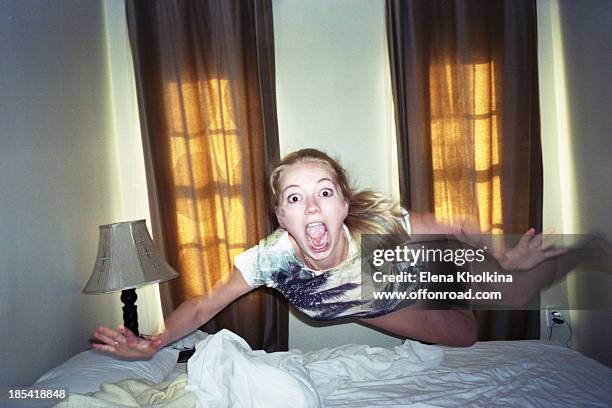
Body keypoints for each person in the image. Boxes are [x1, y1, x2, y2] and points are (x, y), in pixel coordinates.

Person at [92, 148, 570, 359]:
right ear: (281, 216)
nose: (312, 206)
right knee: (463, 336)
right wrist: (153, 343)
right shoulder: (270, 259)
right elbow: (201, 305)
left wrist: (502, 255)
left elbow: (458, 225)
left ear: (344, 203)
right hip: (360, 303)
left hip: (389, 278)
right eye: (295, 198)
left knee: (469, 324)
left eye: (325, 192)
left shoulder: (378, 226)